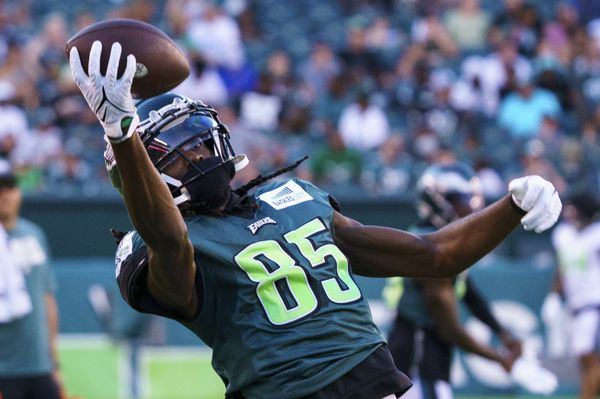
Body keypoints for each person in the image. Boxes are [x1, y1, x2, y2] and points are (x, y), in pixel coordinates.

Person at [68, 40, 562, 399]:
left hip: (374, 384)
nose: (198, 152)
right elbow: (169, 241)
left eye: (200, 137)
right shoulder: (164, 244)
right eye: (176, 153)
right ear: (144, 176)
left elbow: (435, 256)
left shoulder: (292, 195)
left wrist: (511, 205)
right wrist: (122, 134)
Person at [385, 162, 522, 399]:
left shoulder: (442, 244)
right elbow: (450, 329)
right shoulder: (426, 249)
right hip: (418, 356)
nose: (471, 207)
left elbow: (468, 291)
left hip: (425, 350)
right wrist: (499, 358)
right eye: (463, 199)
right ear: (439, 201)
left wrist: (502, 332)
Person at [0, 159, 62, 399]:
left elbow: (47, 297)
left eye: (9, 186)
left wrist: (53, 361)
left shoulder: (34, 234)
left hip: (40, 368)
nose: (3, 194)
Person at [550, 192, 600, 399]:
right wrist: (553, 296)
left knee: (587, 355)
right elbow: (563, 268)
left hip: (595, 303)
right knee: (583, 358)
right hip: (576, 304)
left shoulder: (596, 235)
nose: (570, 215)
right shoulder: (563, 235)